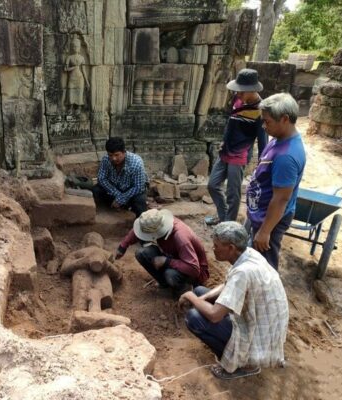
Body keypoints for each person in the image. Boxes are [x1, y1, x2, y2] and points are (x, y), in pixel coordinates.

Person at [180, 222, 288, 380]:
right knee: (201, 292)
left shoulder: (243, 272)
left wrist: (189, 296)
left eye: (216, 246)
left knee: (194, 318)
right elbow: (227, 284)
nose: (213, 248)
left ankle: (243, 365)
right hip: (263, 324)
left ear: (231, 248)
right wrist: (200, 298)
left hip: (259, 337)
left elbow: (214, 315)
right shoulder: (248, 253)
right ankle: (236, 352)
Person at [246, 93, 306, 269]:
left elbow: (281, 199)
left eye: (268, 122)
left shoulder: (286, 156)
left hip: (270, 220)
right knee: (253, 259)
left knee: (264, 266)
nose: (264, 126)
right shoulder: (279, 139)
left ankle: (267, 295)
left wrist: (265, 232)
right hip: (261, 214)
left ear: (285, 119)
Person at [206, 69, 268, 226]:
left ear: (252, 90)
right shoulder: (237, 100)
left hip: (240, 155)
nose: (238, 94)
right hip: (225, 151)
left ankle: (229, 226)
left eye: (241, 91)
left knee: (232, 194)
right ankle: (223, 216)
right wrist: (224, 141)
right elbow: (230, 123)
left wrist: (262, 165)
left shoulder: (261, 111)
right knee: (212, 185)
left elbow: (263, 141)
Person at [116, 209, 209, 293]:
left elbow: (194, 269)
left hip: (194, 271)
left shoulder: (180, 237)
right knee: (142, 253)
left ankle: (185, 289)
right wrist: (123, 246)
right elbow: (141, 228)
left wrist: (167, 262)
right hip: (173, 257)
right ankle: (165, 283)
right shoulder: (158, 221)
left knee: (170, 274)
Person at [92, 137, 148, 218]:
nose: (113, 158)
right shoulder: (106, 160)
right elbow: (102, 179)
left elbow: (139, 187)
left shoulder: (136, 162)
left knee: (140, 201)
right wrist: (118, 195)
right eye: (110, 155)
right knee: (96, 190)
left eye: (117, 155)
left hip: (131, 191)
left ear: (124, 152)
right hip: (115, 189)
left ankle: (140, 223)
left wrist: (121, 199)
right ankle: (115, 208)